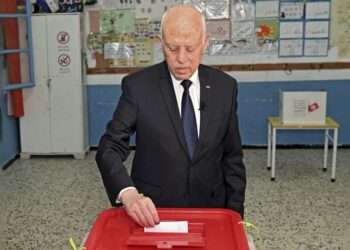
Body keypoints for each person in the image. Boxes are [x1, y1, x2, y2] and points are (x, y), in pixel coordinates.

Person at [96, 4, 246, 228]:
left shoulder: (225, 87)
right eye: (172, 48)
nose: (181, 59)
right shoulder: (138, 87)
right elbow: (109, 147)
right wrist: (128, 194)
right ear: (161, 42)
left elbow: (232, 158)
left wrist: (236, 220)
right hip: (154, 212)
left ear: (205, 42)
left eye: (191, 48)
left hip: (211, 208)